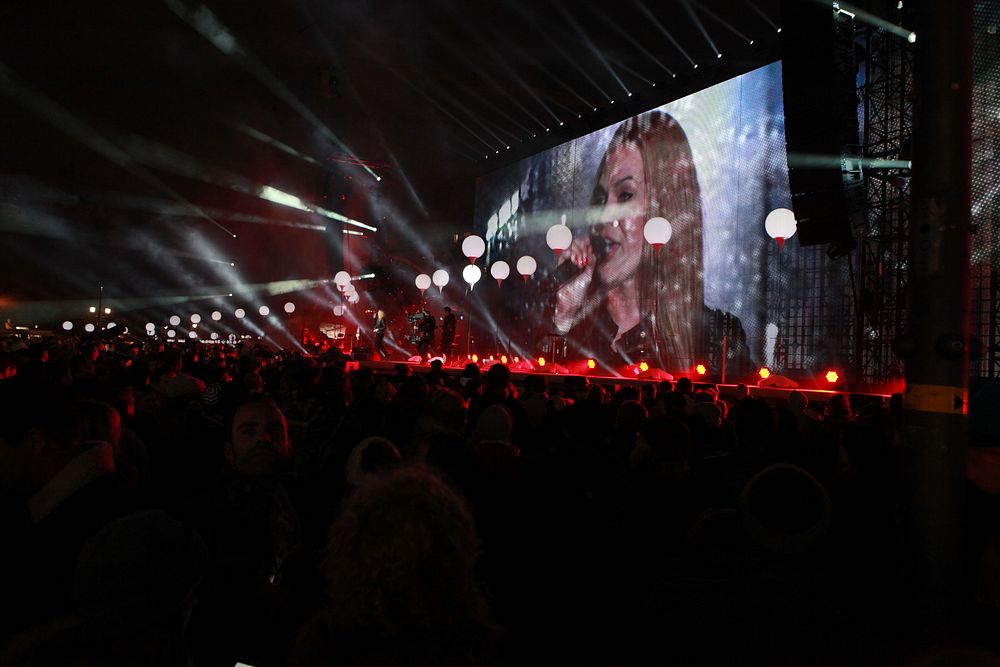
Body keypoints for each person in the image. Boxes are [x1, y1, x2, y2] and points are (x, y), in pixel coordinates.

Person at [553, 110, 729, 372]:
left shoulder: (716, 336)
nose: (604, 216)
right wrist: (564, 318)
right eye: (600, 199)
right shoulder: (581, 322)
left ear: (668, 207)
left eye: (625, 195)